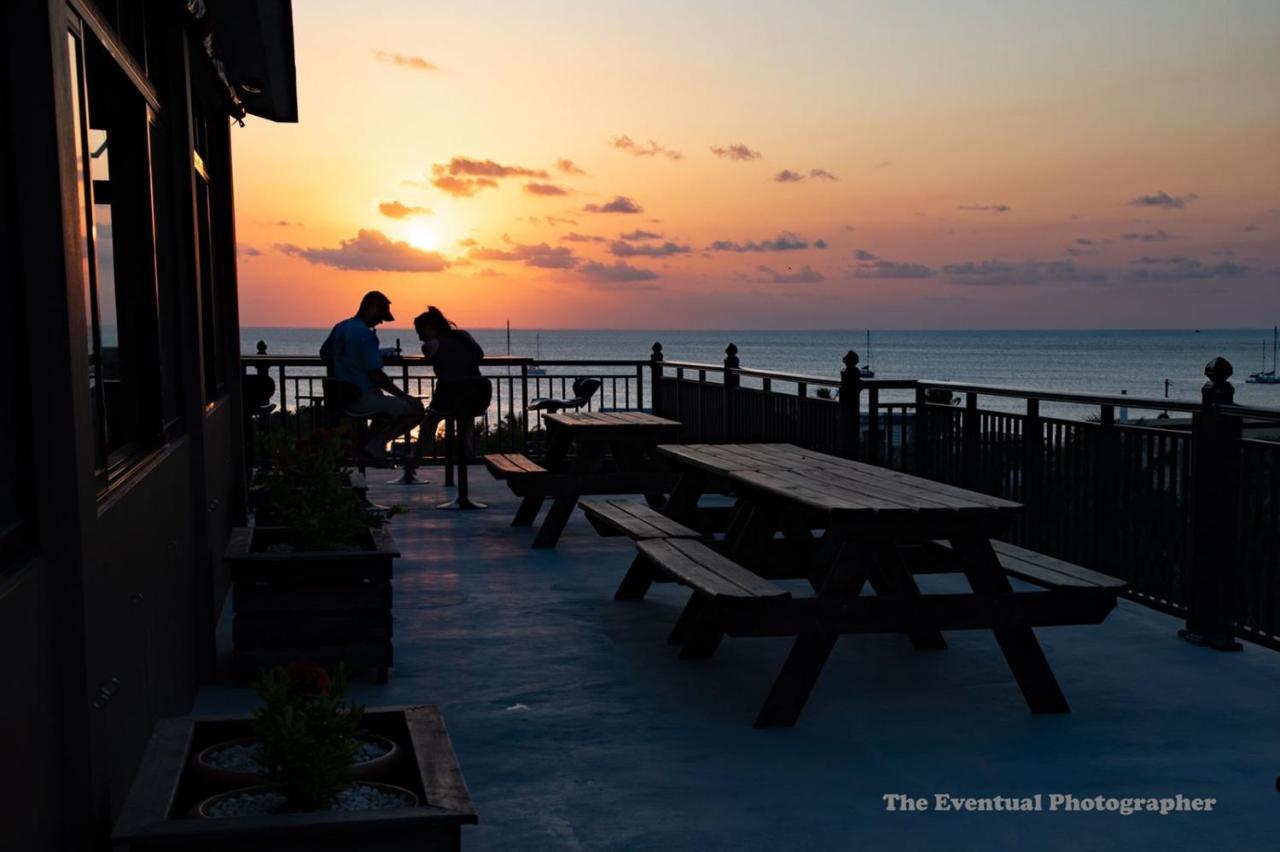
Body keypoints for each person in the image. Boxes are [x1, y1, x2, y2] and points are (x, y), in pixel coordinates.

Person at [320, 291, 424, 462]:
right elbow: (376, 375)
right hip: (360, 397)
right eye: (381, 316)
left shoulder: (341, 327)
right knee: (416, 410)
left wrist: (349, 360)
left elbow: (325, 353)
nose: (381, 321)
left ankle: (364, 448)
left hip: (340, 396)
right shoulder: (366, 335)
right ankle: (375, 446)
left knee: (384, 408)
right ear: (372, 308)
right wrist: (403, 396)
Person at [413, 306, 492, 458]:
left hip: (450, 392)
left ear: (430, 328)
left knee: (429, 422)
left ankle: (416, 457)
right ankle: (467, 452)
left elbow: (430, 355)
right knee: (465, 418)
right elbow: (479, 354)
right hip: (477, 391)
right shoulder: (463, 335)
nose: (420, 337)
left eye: (420, 332)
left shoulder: (431, 344)